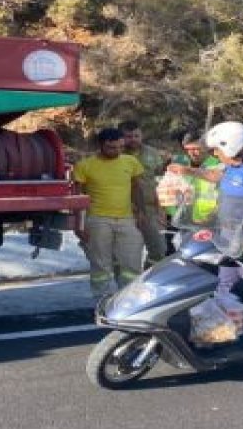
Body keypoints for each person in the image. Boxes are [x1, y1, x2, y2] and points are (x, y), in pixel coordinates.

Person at [168, 121, 243, 292]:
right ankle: (230, 315)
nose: (214, 154)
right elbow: (215, 175)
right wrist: (187, 171)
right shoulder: (232, 167)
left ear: (231, 147)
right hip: (229, 236)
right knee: (225, 285)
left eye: (216, 150)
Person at [72, 127, 150, 300]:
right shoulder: (85, 166)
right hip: (98, 220)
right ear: (101, 145)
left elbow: (137, 188)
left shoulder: (130, 162)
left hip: (127, 219)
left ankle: (130, 301)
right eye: (111, 148)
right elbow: (77, 198)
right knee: (101, 265)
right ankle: (102, 300)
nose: (117, 151)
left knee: (132, 263)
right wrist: (78, 224)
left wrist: (141, 212)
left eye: (120, 147)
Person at [119, 119, 171, 266]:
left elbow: (161, 182)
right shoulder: (115, 155)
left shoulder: (152, 153)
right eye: (129, 136)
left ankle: (148, 281)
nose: (133, 139)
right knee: (126, 253)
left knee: (159, 250)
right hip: (124, 210)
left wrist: (162, 210)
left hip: (150, 209)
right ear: (121, 138)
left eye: (136, 135)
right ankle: (126, 286)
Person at [166, 130, 221, 229]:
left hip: (208, 223)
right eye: (188, 149)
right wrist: (169, 214)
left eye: (196, 149)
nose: (192, 153)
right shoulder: (179, 162)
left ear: (207, 147)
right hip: (178, 221)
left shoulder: (218, 165)